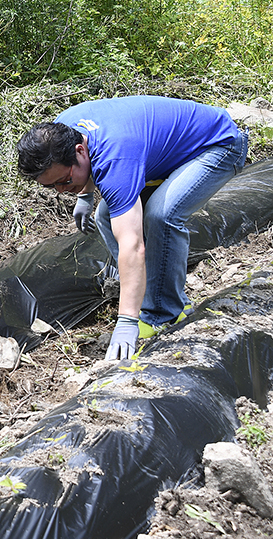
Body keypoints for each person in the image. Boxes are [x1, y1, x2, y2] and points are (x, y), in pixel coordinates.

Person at [17, 96, 247, 362]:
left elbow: (132, 245)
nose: (60, 190)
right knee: (105, 216)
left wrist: (126, 321)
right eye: (51, 186)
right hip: (163, 156)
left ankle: (163, 313)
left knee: (162, 215)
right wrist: (84, 195)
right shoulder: (59, 134)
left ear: (80, 151)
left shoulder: (115, 159)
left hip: (217, 145)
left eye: (65, 181)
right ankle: (156, 296)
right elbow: (85, 171)